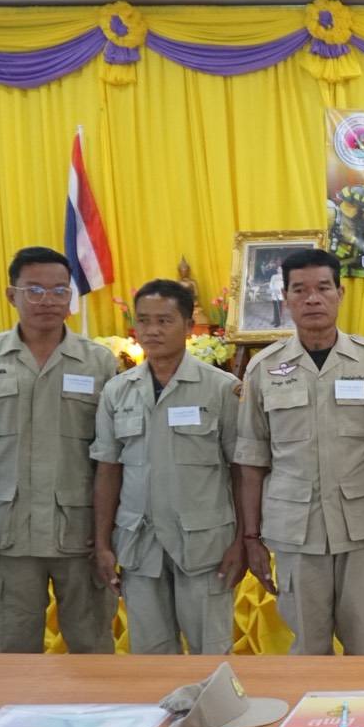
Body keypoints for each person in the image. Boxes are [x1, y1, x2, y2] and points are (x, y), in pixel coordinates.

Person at [0, 246, 118, 653]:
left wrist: (105, 533)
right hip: (9, 532)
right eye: (35, 290)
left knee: (93, 647)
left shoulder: (98, 362)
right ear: (12, 295)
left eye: (60, 291)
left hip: (80, 532)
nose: (48, 301)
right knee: (10, 648)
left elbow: (111, 457)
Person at [234, 249, 364, 655]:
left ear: (340, 293)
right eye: (300, 290)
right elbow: (251, 461)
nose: (312, 299)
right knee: (308, 647)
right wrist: (251, 536)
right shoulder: (263, 369)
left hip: (363, 528)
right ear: (285, 298)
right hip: (295, 531)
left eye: (323, 288)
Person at [91, 280, 244, 655]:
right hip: (140, 545)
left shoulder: (221, 389)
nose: (152, 331)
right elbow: (108, 471)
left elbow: (241, 471)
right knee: (150, 657)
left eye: (164, 321)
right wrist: (103, 543)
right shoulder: (117, 391)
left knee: (211, 653)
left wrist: (243, 540)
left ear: (188, 325)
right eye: (144, 321)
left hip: (205, 546)